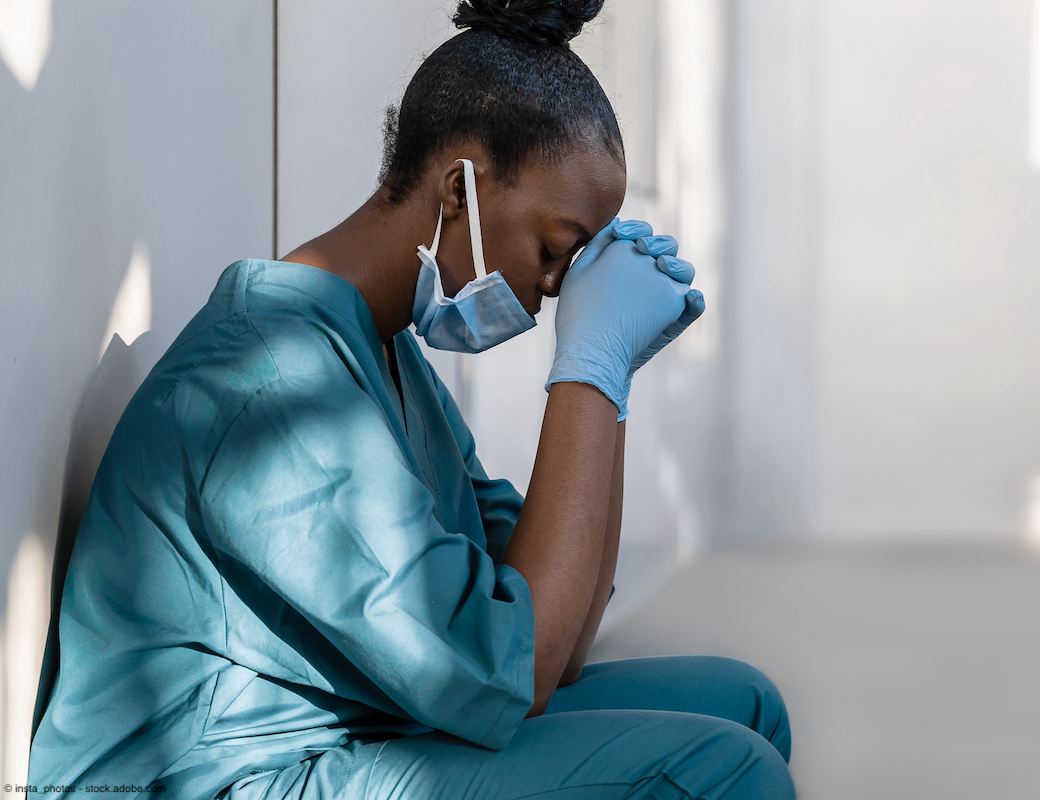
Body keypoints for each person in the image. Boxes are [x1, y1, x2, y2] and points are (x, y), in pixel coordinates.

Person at [29, 1, 794, 797]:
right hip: (227, 773)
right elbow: (518, 668)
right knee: (725, 771)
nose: (560, 291)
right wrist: (588, 365)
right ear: (459, 187)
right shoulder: (273, 381)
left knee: (746, 706)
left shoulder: (388, 354)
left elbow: (558, 639)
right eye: (557, 250)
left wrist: (616, 378)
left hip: (354, 728)